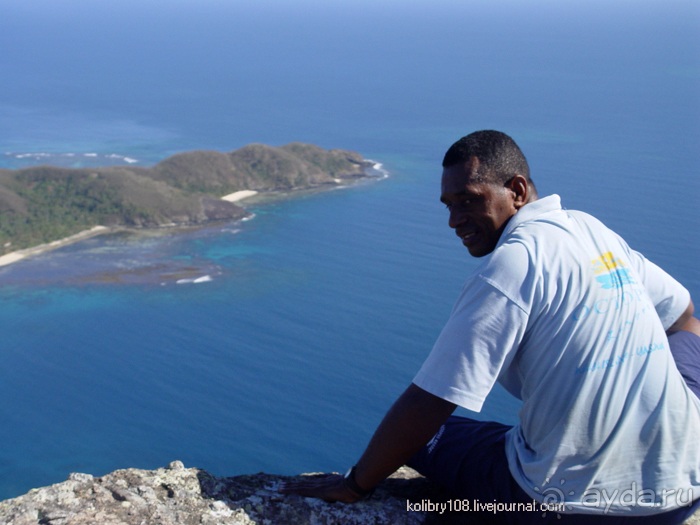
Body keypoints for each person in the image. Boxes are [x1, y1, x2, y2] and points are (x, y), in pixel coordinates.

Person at [278, 130, 700, 524]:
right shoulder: (590, 229)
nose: (454, 220)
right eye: (448, 205)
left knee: (429, 438)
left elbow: (431, 401)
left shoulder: (512, 265)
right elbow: (684, 317)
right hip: (686, 488)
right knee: (687, 342)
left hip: (576, 507)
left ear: (516, 191)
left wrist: (354, 484)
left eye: (469, 200)